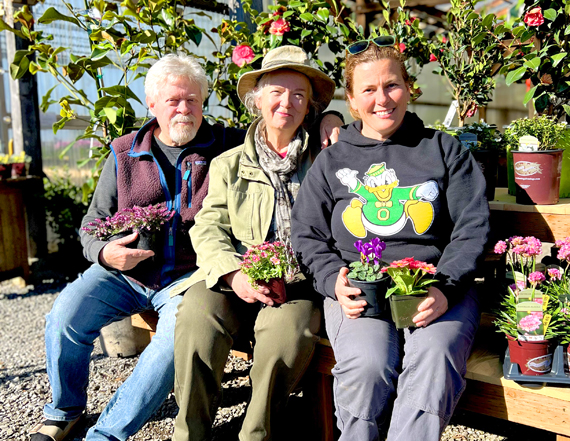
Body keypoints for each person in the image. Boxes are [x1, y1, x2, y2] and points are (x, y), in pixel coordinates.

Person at [31, 52, 342, 441]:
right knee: (65, 315)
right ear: (151, 104)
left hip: (187, 276)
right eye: (173, 100)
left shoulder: (223, 144)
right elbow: (93, 222)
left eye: (192, 100)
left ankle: (106, 434)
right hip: (127, 273)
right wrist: (105, 253)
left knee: (173, 342)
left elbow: (284, 118)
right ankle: (64, 411)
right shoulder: (124, 152)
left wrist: (331, 117)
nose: (184, 109)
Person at [291, 40, 490, 441]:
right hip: (360, 291)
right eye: (368, 89)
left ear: (408, 88)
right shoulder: (332, 161)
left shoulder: (443, 150)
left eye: (391, 85)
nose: (382, 99)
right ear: (351, 101)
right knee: (366, 365)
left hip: (436, 287)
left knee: (434, 357)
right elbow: (307, 234)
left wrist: (446, 287)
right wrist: (333, 281)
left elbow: (472, 227)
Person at [172, 46, 338, 441]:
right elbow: (208, 226)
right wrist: (234, 273)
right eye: (276, 92)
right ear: (257, 100)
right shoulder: (228, 164)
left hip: (298, 285)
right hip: (237, 276)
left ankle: (256, 434)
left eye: (298, 95)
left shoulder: (327, 159)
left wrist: (336, 118)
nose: (287, 103)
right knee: (196, 316)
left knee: (286, 337)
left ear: (310, 107)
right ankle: (189, 433)